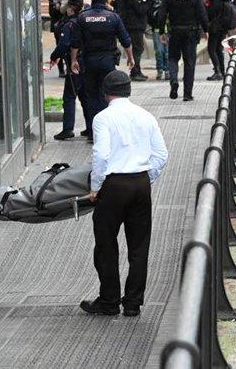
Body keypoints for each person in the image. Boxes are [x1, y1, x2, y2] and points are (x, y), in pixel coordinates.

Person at [80, 70, 168, 317]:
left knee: (106, 244)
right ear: (129, 90)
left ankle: (108, 300)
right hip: (140, 184)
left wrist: (95, 188)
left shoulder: (103, 118)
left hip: (113, 185)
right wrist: (146, 178)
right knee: (139, 246)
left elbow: (101, 156)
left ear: (106, 92)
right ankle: (133, 303)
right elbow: (161, 155)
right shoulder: (146, 116)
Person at [70, 0, 134, 140]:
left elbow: (75, 42)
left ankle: (94, 133)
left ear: (92, 0)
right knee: (107, 95)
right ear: (105, 0)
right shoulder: (113, 17)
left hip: (89, 61)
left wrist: (73, 60)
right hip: (107, 61)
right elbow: (125, 40)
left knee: (91, 96)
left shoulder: (83, 17)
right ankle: (106, 132)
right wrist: (131, 58)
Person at [160, 0, 208, 101]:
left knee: (173, 58)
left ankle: (174, 80)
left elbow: (162, 15)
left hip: (175, 31)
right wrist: (206, 30)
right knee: (189, 62)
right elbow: (202, 14)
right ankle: (187, 94)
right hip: (191, 32)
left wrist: (162, 31)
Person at [49, 0, 90, 140]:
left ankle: (67, 129)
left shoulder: (70, 24)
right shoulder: (85, 20)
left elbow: (64, 44)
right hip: (86, 63)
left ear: (71, 8)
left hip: (75, 64)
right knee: (85, 96)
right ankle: (90, 127)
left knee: (69, 96)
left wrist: (54, 56)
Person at [116, 0, 150, 81]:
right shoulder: (132, 1)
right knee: (137, 49)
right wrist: (149, 1)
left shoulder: (127, 1)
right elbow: (142, 10)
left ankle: (136, 70)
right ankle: (135, 71)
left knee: (137, 49)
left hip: (133, 27)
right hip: (135, 28)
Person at [205, 0, 236, 81]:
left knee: (211, 49)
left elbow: (209, 14)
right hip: (224, 29)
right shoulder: (228, 0)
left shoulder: (216, 2)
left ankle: (217, 71)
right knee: (219, 50)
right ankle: (222, 71)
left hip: (215, 29)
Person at [49, 0, 70, 78]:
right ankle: (61, 69)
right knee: (60, 46)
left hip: (67, 24)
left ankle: (68, 68)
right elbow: (51, 14)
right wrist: (56, 8)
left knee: (68, 46)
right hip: (58, 25)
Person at [151, 0, 171, 81]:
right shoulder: (154, 1)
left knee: (168, 52)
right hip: (157, 30)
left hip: (168, 29)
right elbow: (151, 14)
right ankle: (160, 70)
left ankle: (167, 71)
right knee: (159, 51)